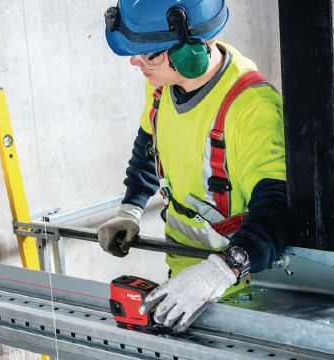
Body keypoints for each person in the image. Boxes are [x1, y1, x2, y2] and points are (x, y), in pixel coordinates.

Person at [98, 0, 291, 333]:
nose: (135, 61)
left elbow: (278, 209)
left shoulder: (252, 108)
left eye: (149, 54)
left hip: (247, 294)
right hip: (183, 283)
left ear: (191, 53)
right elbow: (149, 145)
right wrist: (130, 208)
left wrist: (221, 270)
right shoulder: (162, 84)